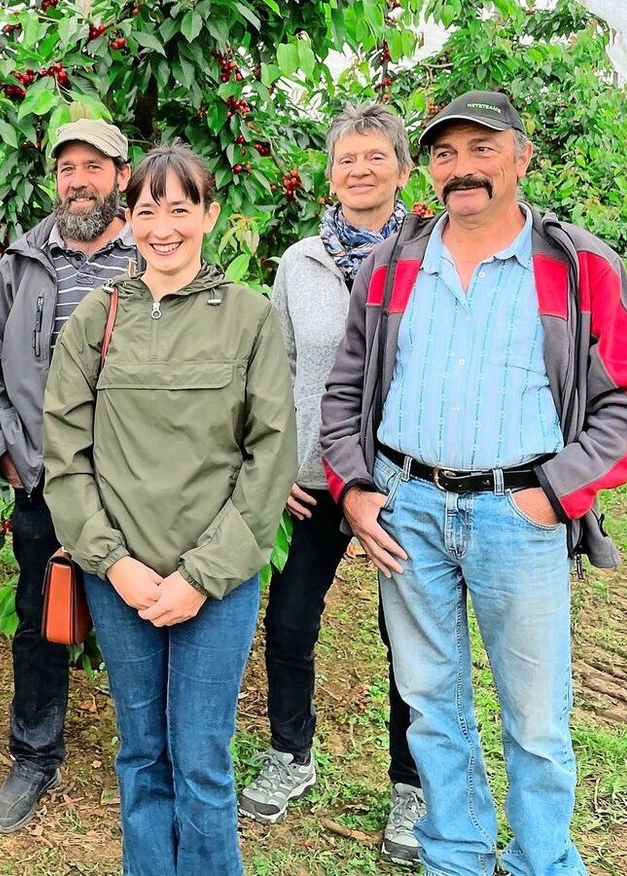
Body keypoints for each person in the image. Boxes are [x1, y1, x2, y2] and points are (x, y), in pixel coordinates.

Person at [321, 90, 627, 876]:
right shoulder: (392, 266)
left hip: (520, 517)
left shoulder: (578, 268)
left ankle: (543, 861)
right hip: (407, 508)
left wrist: (556, 491)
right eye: (446, 153)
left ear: (521, 157)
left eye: (483, 149)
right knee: (432, 706)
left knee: (537, 719)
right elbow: (345, 392)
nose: (462, 168)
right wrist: (354, 487)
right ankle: (457, 853)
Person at [43, 144, 296, 876]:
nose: (163, 227)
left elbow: (268, 457)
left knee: (202, 758)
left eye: (181, 209)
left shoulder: (248, 318)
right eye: (147, 210)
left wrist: (201, 576)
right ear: (129, 219)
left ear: (209, 216)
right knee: (143, 752)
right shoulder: (98, 318)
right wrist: (112, 563)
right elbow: (65, 454)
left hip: (213, 584)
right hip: (120, 580)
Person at [240, 103, 425, 866]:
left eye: (375, 157)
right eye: (347, 158)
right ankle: (292, 751)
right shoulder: (298, 262)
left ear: (403, 169)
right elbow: (276, 369)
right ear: (329, 171)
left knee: (409, 635)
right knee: (288, 623)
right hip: (315, 475)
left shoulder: (435, 253)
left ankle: (412, 784)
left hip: (404, 480)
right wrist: (275, 460)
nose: (359, 170)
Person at [0, 118, 137, 833]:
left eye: (93, 167)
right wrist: (8, 453)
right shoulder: (21, 262)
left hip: (136, 483)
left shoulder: (150, 253)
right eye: (66, 168)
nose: (78, 180)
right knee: (41, 618)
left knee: (139, 614)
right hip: (43, 481)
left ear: (121, 177)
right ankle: (34, 754)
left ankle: (148, 754)